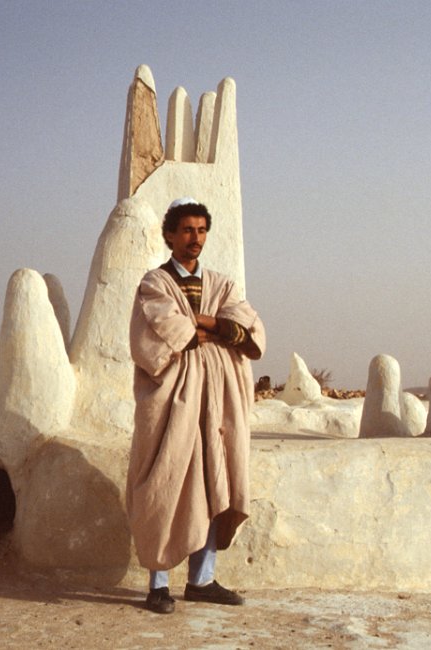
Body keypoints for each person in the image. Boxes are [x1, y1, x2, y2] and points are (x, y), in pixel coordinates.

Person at [126, 197, 265, 614]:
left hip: (219, 402)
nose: (195, 238)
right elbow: (167, 333)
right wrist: (214, 328)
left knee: (213, 482)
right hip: (172, 402)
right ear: (170, 235)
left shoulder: (222, 284)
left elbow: (249, 333)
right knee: (166, 484)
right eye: (187, 230)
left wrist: (206, 323)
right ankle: (158, 584)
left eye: (201, 230)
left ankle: (202, 580)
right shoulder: (155, 283)